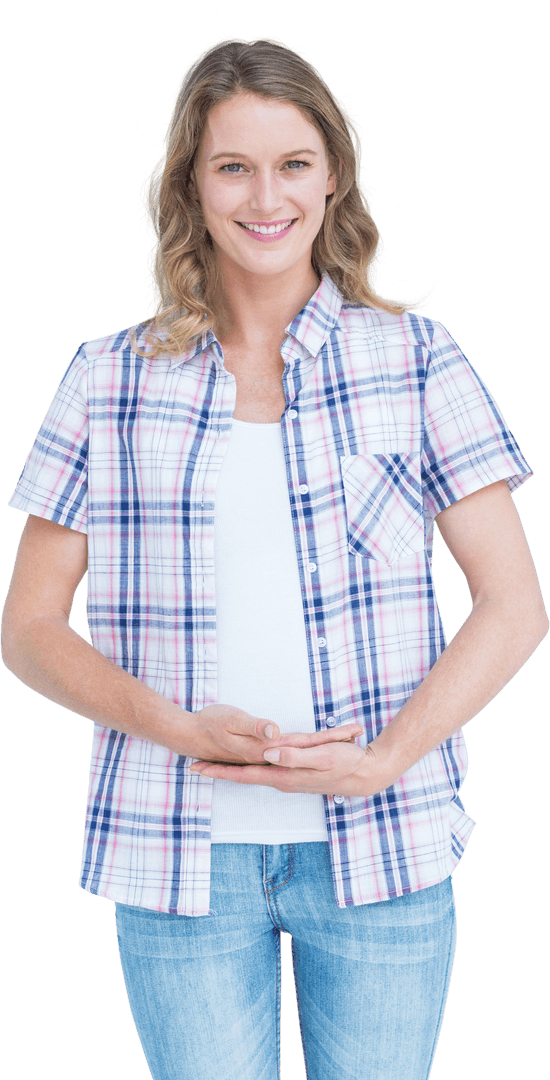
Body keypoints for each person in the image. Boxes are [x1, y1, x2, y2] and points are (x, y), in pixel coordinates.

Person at [1, 33, 547, 1080]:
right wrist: (172, 726)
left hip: (382, 847)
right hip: (177, 856)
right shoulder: (105, 379)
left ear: (332, 176)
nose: (265, 196)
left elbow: (514, 604)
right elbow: (26, 628)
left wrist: (387, 760)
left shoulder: (415, 360)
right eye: (231, 165)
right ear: (190, 186)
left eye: (292, 163)